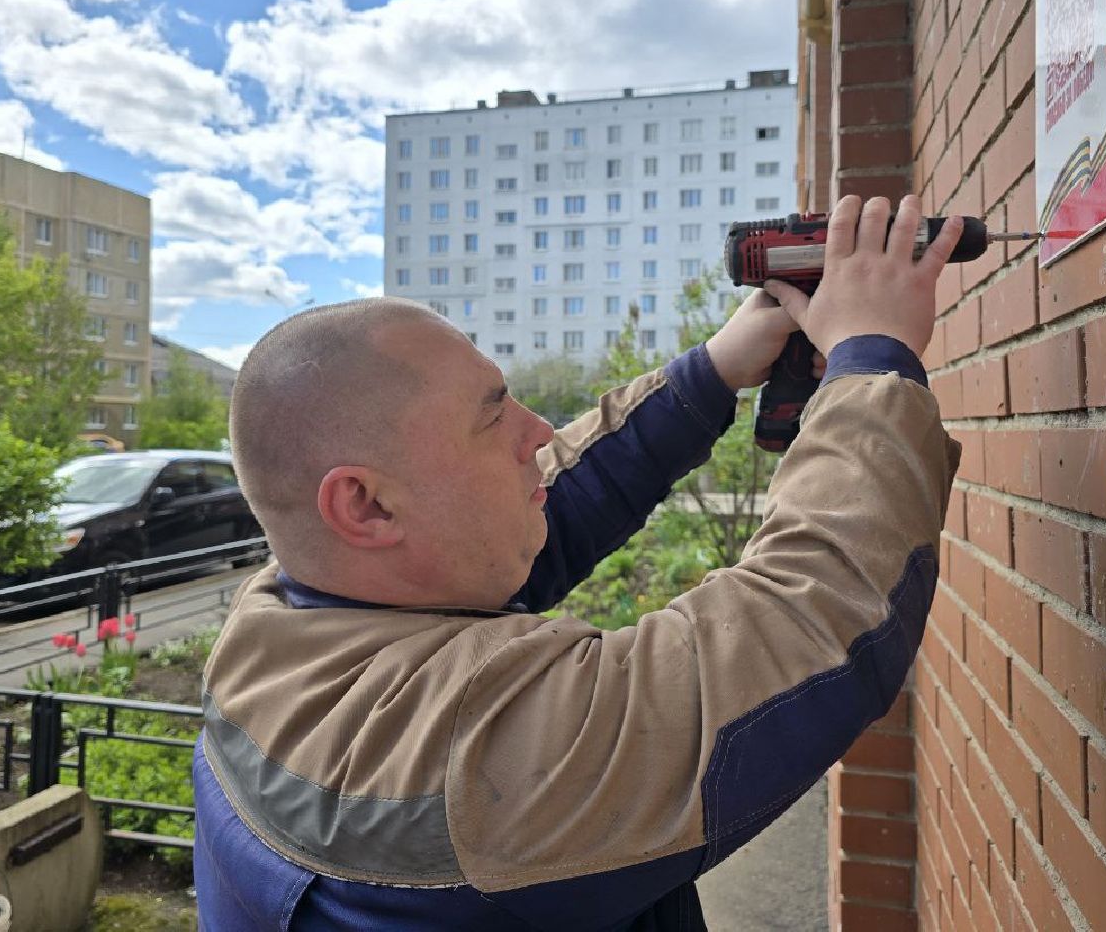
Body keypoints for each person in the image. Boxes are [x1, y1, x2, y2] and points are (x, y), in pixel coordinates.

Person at [193, 195, 964, 930]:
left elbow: (546, 503)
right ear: (365, 506)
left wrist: (714, 370)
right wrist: (872, 358)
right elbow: (813, 615)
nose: (535, 431)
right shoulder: (472, 763)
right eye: (493, 415)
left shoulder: (292, 617)